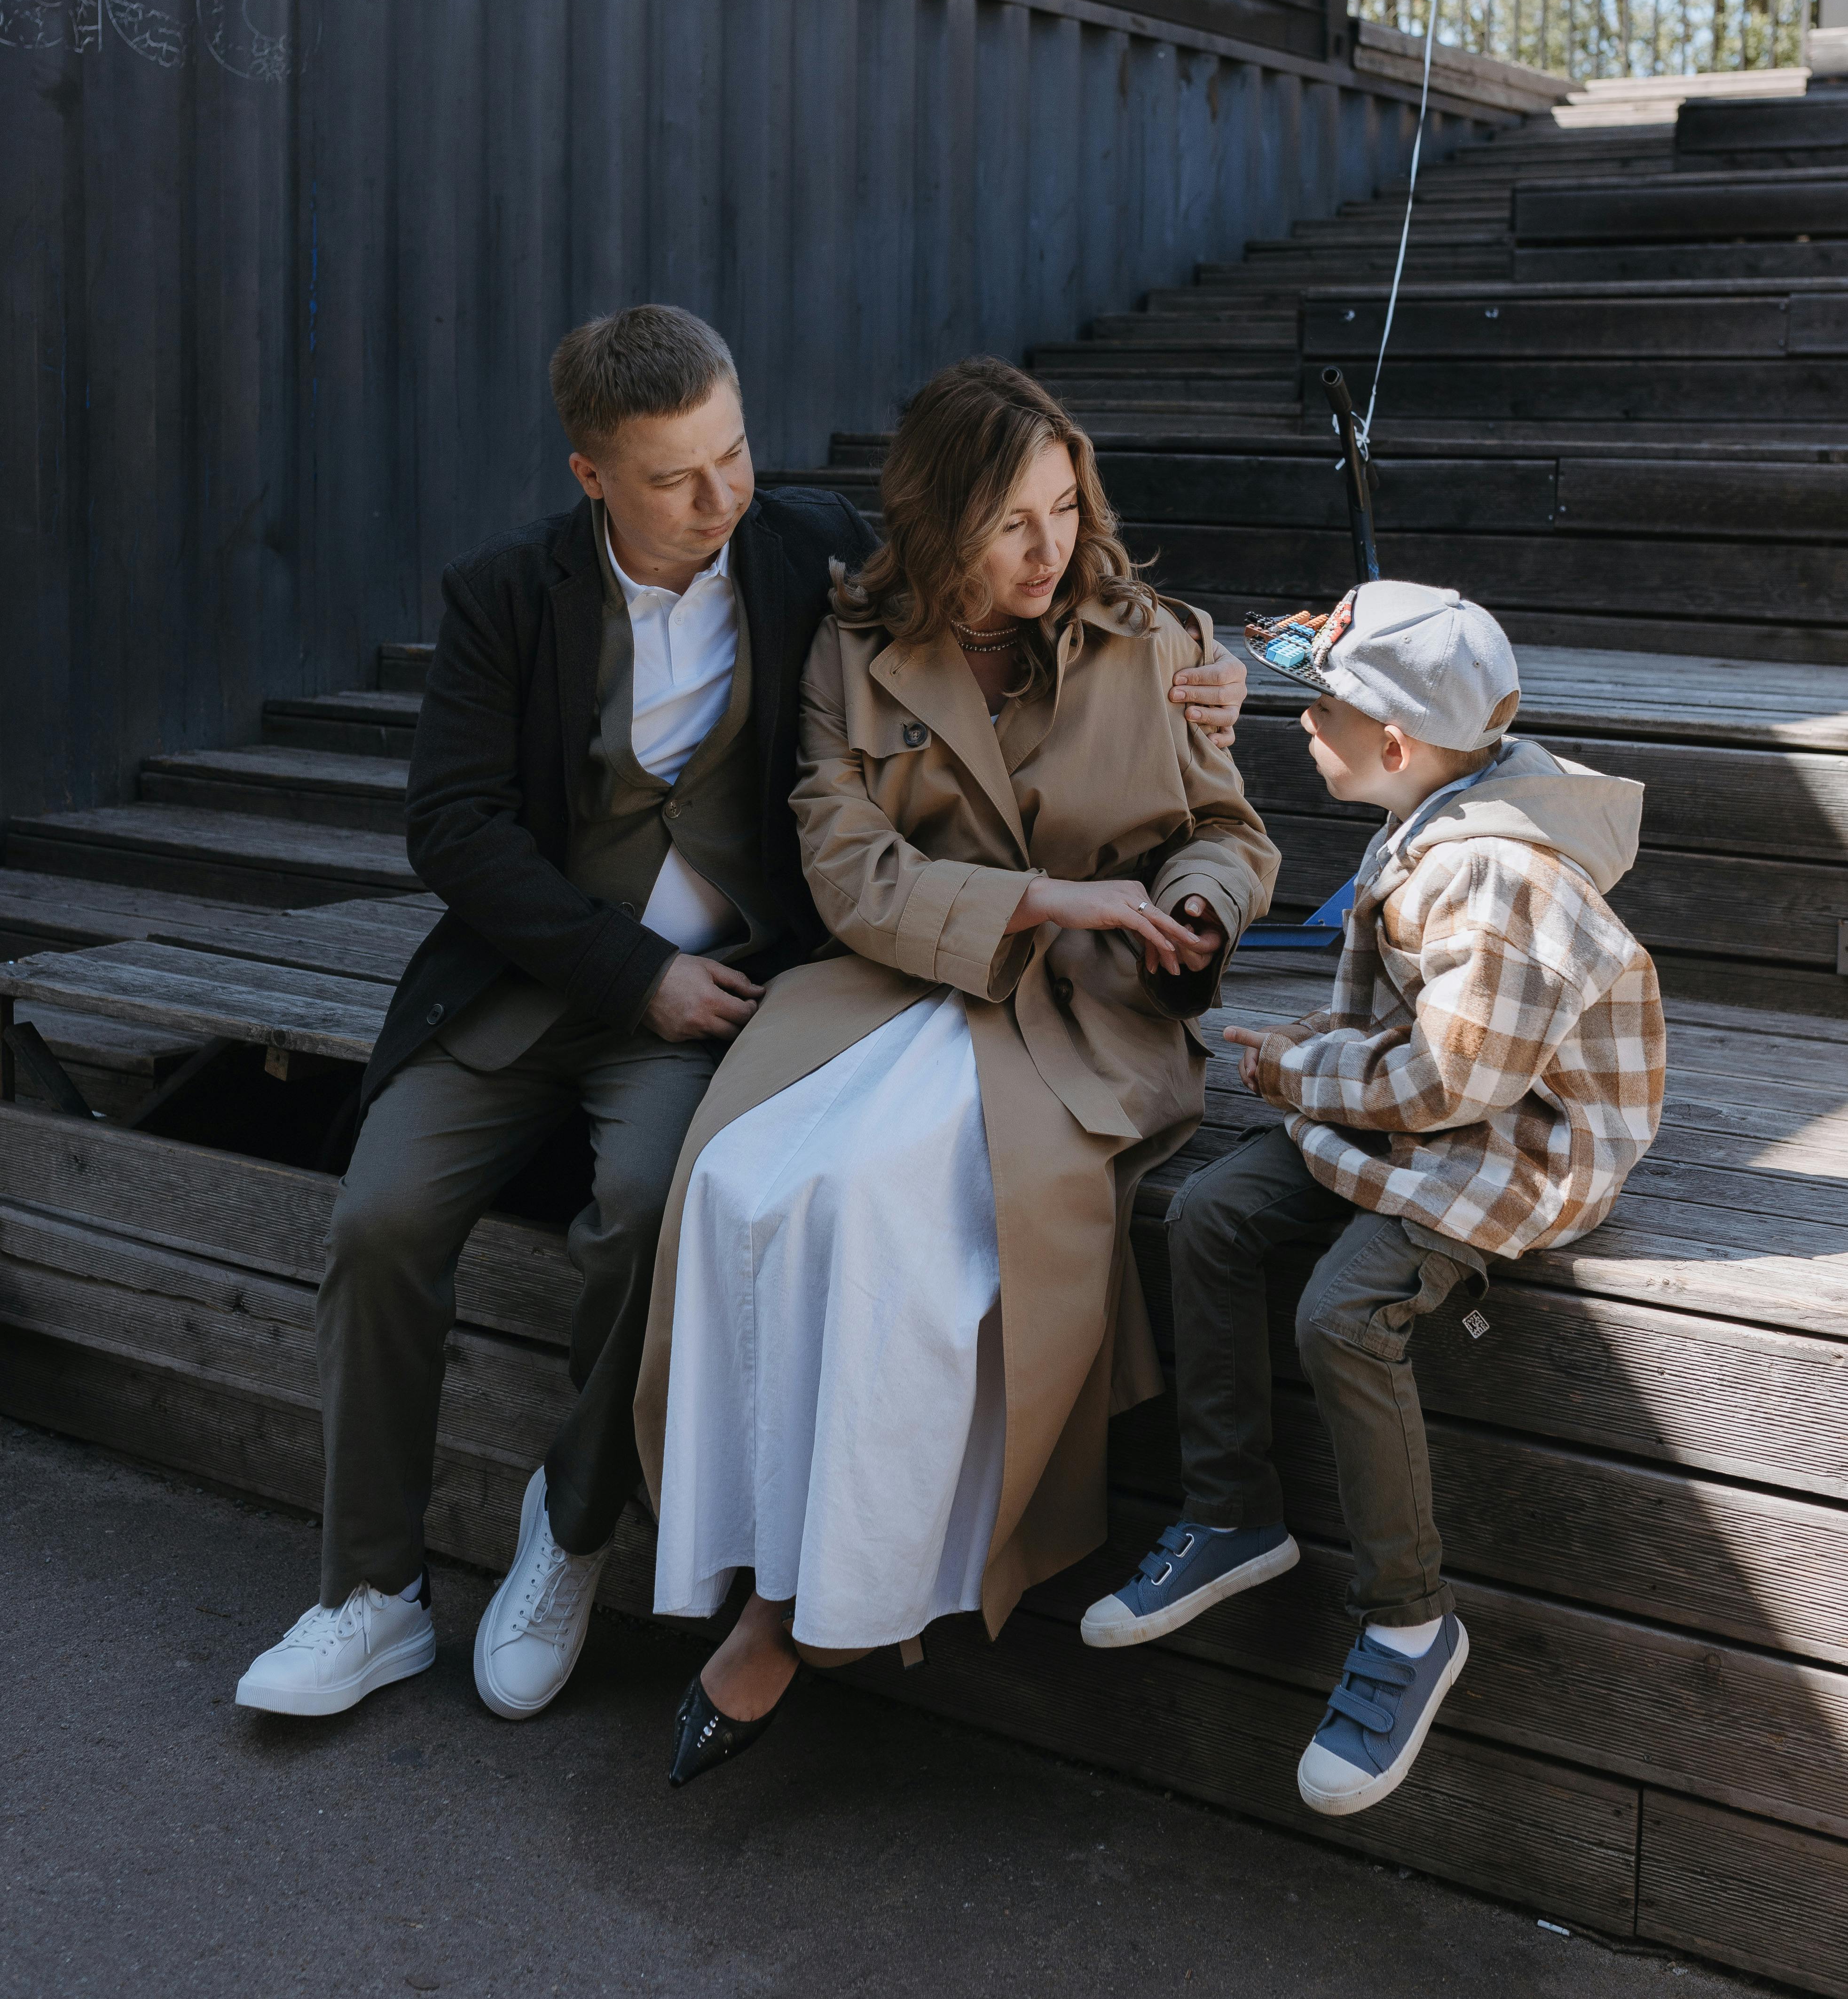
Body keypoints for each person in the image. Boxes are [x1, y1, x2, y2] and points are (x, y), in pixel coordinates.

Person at [234, 310, 1251, 1720]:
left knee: (664, 1199)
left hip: (723, 1007)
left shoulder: (804, 555)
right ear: (593, 475)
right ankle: (369, 1593)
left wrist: (1233, 676)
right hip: (535, 986)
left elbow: (1056, 604)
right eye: (677, 478)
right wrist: (626, 969)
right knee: (379, 1220)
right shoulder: (504, 597)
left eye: (736, 456)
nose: (723, 499)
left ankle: (573, 1530)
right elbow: (454, 831)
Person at [635, 357, 1281, 1787]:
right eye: (1009, 525)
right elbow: (848, 871)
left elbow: (1227, 833)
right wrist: (1049, 901)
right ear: (936, 528)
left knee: (882, 1215)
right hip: (895, 983)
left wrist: (1195, 905)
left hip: (1089, 1014)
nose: (1049, 550)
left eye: (1063, 509)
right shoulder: (850, 649)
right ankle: (754, 1539)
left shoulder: (1156, 640)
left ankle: (799, 1615)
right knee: (745, 1182)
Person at [1081, 581, 1666, 1820]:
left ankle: (1408, 1626)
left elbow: (1458, 1079)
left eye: (1321, 708)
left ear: (1393, 745)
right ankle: (1233, 1511)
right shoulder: (1432, 808)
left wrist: (1301, 1067)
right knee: (1207, 1215)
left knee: (1342, 1313)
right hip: (1429, 1104)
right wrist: (1326, 1054)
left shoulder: (1492, 877)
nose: (1302, 725)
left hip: (1520, 1141)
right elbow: (1428, 1038)